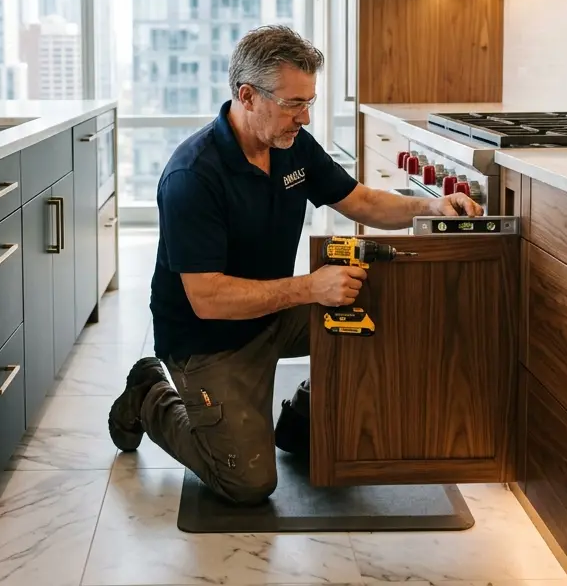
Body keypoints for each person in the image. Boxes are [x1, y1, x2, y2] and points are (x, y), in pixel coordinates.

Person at [107, 25, 482, 505]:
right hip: (208, 340)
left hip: (274, 314)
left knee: (379, 302)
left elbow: (361, 201)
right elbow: (208, 299)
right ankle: (150, 394)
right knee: (248, 484)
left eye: (309, 102)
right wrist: (309, 288)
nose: (304, 117)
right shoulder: (193, 176)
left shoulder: (291, 145)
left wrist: (428, 208)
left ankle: (302, 421)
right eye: (292, 104)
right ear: (247, 95)